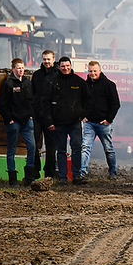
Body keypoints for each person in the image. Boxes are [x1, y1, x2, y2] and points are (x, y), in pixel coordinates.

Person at [43, 56, 91, 185]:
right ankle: (63, 177)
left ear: (71, 66)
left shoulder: (79, 82)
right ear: (59, 67)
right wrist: (49, 122)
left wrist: (82, 114)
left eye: (67, 66)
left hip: (75, 122)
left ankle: (76, 176)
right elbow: (45, 103)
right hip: (58, 124)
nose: (65, 68)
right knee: (61, 150)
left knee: (77, 148)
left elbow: (88, 100)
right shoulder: (52, 82)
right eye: (63, 66)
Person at [0, 58, 37, 187]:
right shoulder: (8, 84)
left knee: (32, 147)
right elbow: (1, 105)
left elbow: (32, 101)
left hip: (27, 121)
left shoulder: (27, 83)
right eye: (18, 68)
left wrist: (31, 115)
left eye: (22, 67)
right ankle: (12, 178)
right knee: (12, 149)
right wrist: (9, 119)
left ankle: (29, 176)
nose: (21, 70)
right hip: (13, 122)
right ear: (13, 68)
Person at [81, 61, 121, 179]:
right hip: (89, 123)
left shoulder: (109, 85)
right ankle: (82, 173)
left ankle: (113, 172)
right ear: (87, 71)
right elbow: (80, 102)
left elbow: (115, 104)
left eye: (95, 71)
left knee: (108, 149)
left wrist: (109, 119)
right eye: (90, 71)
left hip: (103, 124)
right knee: (85, 148)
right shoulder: (85, 85)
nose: (92, 73)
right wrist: (83, 115)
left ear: (100, 70)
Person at [31, 50, 59, 179]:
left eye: (49, 59)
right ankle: (35, 170)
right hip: (37, 115)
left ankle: (49, 173)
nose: (46, 62)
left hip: (51, 117)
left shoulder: (58, 75)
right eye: (44, 59)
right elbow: (32, 94)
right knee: (34, 143)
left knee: (51, 145)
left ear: (54, 59)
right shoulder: (37, 75)